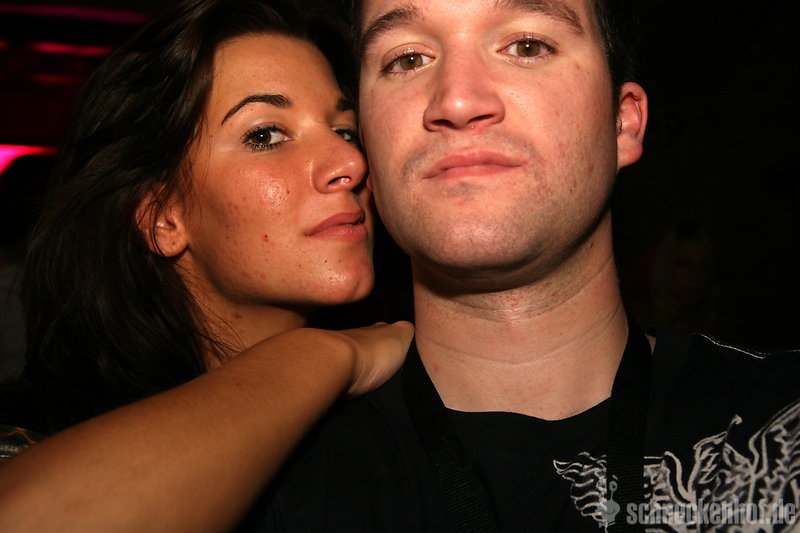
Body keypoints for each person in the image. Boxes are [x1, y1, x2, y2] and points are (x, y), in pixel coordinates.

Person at [253, 0, 800, 531]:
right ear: (367, 142)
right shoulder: (260, 478)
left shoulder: (782, 415)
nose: (457, 101)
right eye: (408, 59)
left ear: (623, 123)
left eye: (527, 46)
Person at [0, 0, 412, 532]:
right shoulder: (38, 435)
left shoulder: (394, 427)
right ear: (162, 218)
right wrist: (323, 355)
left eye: (346, 130)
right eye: (265, 135)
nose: (350, 163)